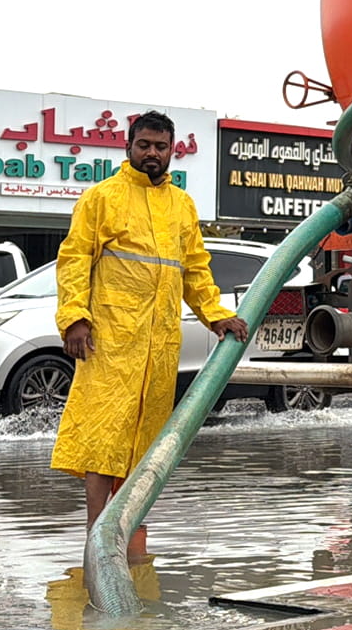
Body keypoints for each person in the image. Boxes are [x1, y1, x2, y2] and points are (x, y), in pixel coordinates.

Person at [50, 110, 249, 561]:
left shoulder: (181, 205)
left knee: (146, 446)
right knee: (103, 438)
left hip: (159, 347)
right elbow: (75, 259)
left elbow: (195, 269)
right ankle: (97, 539)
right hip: (111, 342)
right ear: (129, 147)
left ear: (172, 150)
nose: (153, 154)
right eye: (145, 145)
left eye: (161, 146)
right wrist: (75, 318)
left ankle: (132, 538)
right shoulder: (102, 198)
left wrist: (216, 315)